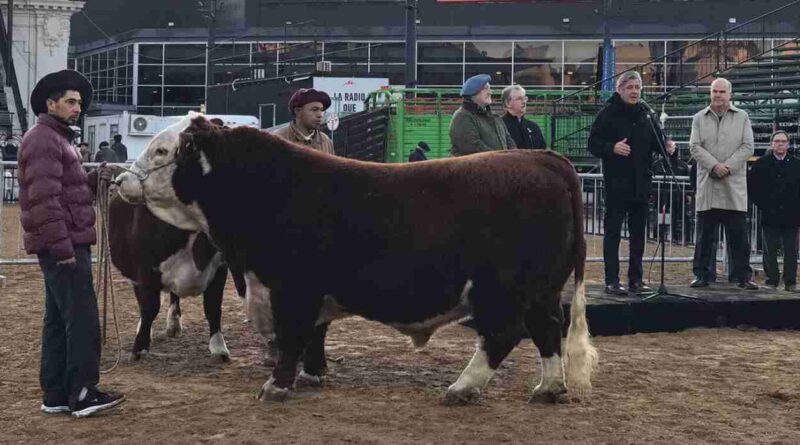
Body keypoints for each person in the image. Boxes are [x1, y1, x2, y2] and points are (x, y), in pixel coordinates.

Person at [17, 69, 125, 418]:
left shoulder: (55, 139)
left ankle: (57, 393)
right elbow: (45, 200)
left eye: (78, 102)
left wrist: (93, 179)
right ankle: (82, 393)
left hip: (61, 243)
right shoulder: (45, 140)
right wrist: (63, 249)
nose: (77, 107)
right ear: (51, 103)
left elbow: (67, 194)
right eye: (70, 101)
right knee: (81, 319)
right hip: (63, 246)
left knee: (58, 320)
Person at [587, 71, 676, 295]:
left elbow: (658, 141)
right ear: (620, 89)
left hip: (641, 184)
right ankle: (612, 280)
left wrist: (668, 147)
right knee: (613, 233)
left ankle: (636, 279)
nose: (635, 91)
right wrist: (612, 148)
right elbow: (592, 142)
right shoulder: (607, 113)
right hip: (617, 184)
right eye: (630, 87)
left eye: (637, 87)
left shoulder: (646, 113)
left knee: (638, 235)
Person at [689, 77, 757, 289]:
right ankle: (702, 275)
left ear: (730, 94)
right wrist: (714, 166)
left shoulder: (743, 117)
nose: (718, 95)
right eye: (714, 91)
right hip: (708, 185)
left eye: (721, 92)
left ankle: (743, 276)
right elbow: (694, 146)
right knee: (704, 237)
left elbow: (748, 146)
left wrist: (727, 166)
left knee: (739, 236)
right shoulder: (699, 117)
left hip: (733, 186)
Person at [748, 130, 800, 291]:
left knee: (791, 250)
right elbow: (753, 188)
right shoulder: (761, 164)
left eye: (783, 141)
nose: (780, 144)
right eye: (777, 141)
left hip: (792, 214)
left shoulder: (797, 164)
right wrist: (764, 205)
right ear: (772, 143)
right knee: (769, 249)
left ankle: (790, 282)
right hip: (770, 213)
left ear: (788, 144)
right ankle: (771, 280)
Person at [449, 74, 515, 156]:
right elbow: (472, 147)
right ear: (473, 92)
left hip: (496, 166)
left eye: (490, 89)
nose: (490, 92)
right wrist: (500, 159)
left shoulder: (495, 118)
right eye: (485, 88)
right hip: (472, 168)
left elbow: (509, 141)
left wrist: (513, 157)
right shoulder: (462, 117)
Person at [273, 88, 335, 155]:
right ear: (298, 111)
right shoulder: (278, 139)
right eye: (314, 109)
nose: (320, 115)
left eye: (321, 110)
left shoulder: (326, 141)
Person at [500, 85, 546, 150]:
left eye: (525, 98)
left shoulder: (533, 127)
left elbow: (543, 152)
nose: (524, 102)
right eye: (519, 99)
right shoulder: (499, 125)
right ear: (507, 103)